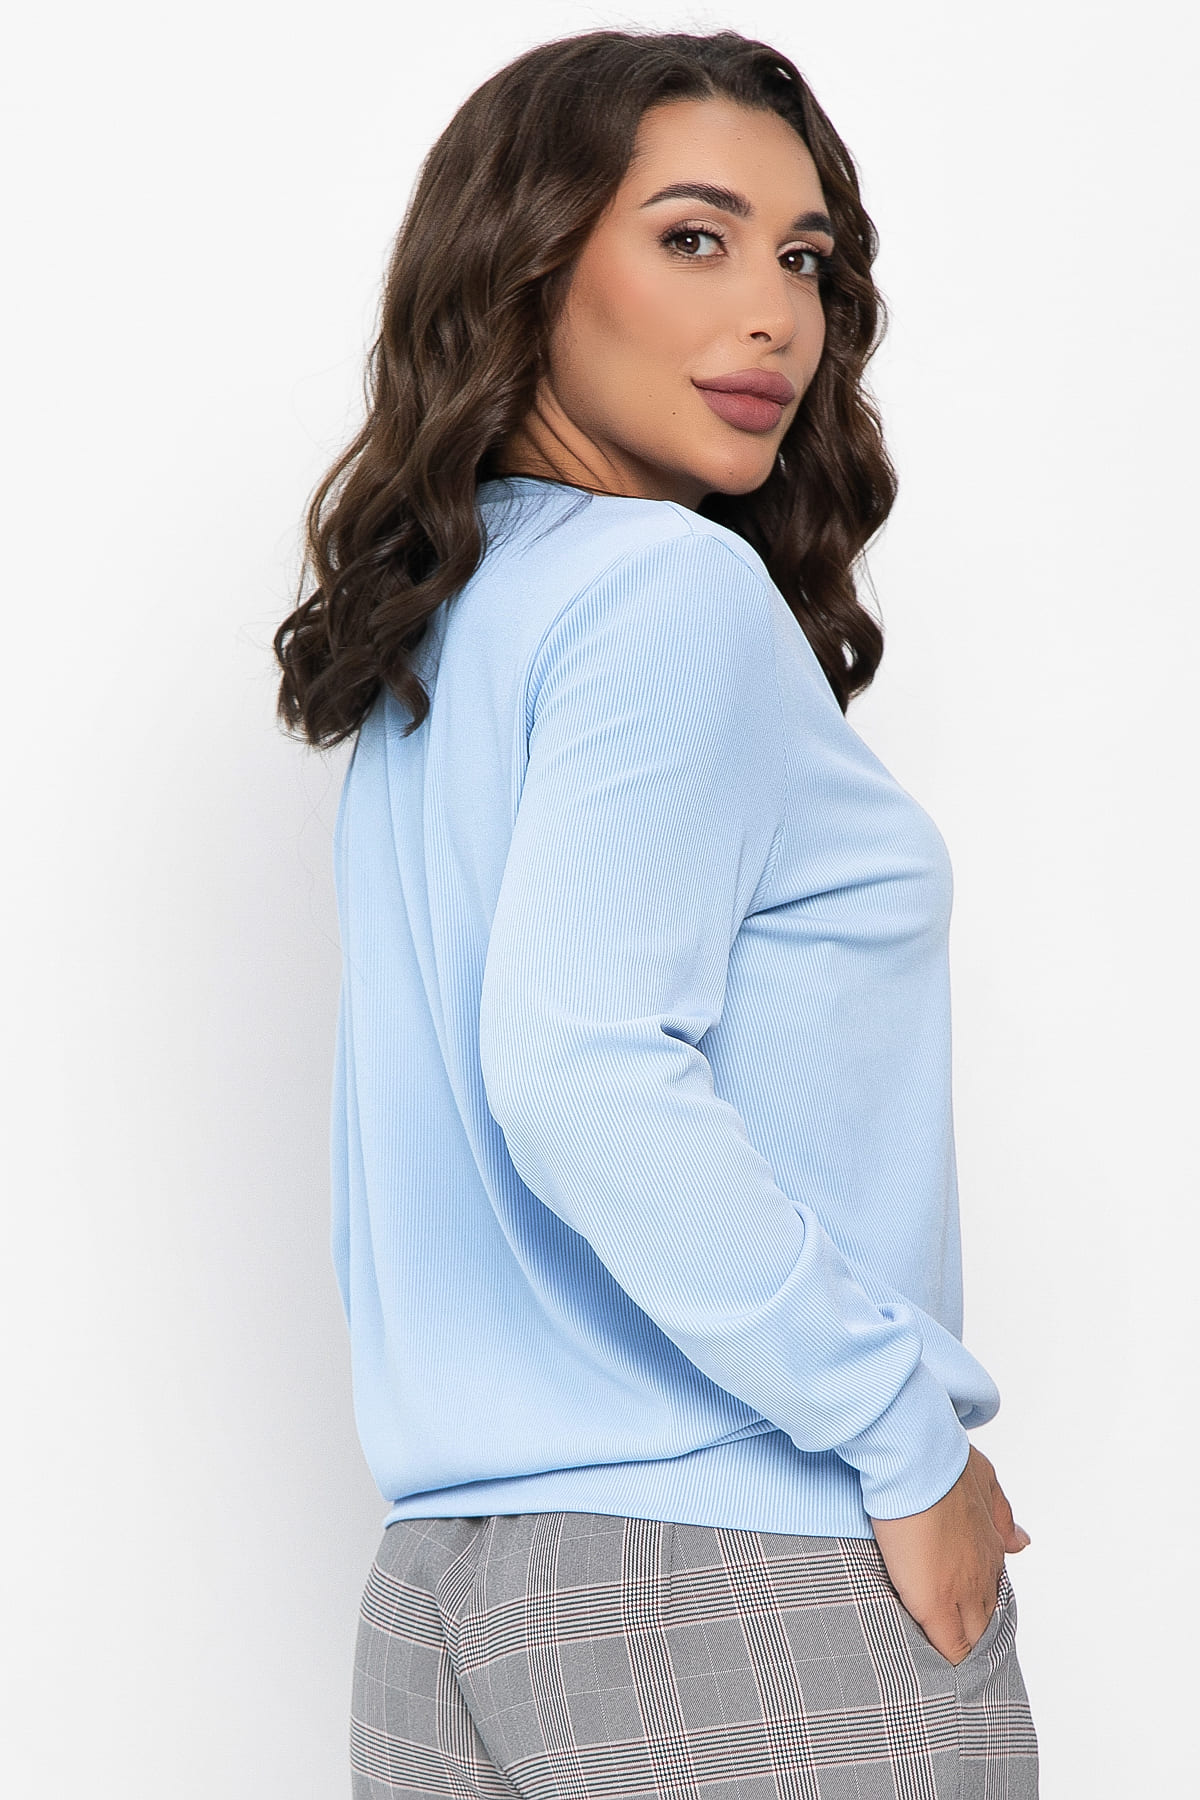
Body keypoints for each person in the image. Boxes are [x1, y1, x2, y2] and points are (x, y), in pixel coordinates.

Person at [274, 26, 1040, 1799]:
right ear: (529, 260)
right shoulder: (663, 593)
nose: (774, 314)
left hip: (446, 1598)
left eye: (806, 260)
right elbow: (577, 1069)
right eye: (695, 237)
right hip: (742, 1565)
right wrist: (904, 1438)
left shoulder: (444, 636)